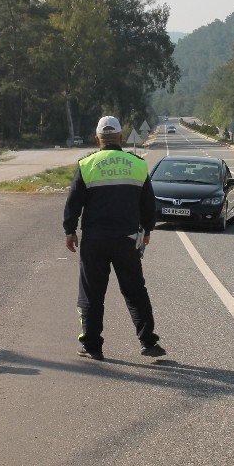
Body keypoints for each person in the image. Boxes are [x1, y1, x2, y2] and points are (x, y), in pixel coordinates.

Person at [63, 115, 165, 361]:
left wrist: (69, 231)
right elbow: (148, 205)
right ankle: (148, 341)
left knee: (92, 293)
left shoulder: (87, 164)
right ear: (120, 137)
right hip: (127, 240)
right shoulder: (138, 165)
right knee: (134, 291)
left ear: (97, 138)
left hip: (94, 241)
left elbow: (73, 202)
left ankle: (92, 346)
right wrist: (148, 230)